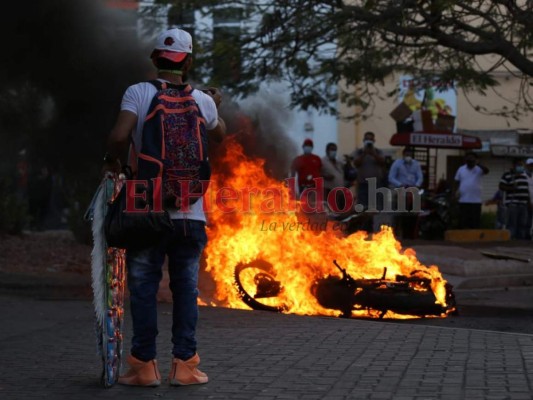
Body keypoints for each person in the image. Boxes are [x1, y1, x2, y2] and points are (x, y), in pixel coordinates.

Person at [102, 28, 226, 387]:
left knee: (143, 286)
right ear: (188, 61)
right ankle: (185, 365)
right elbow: (219, 135)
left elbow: (119, 136)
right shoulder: (203, 100)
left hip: (148, 209)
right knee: (186, 287)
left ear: (155, 59)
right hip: (192, 213)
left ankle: (144, 367)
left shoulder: (138, 93)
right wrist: (215, 102)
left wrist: (111, 160)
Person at [351, 131, 387, 232]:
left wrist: (373, 154)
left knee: (374, 207)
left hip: (375, 184)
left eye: (371, 139)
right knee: (363, 207)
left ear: (374, 140)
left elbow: (382, 162)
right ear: (363, 140)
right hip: (363, 184)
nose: (369, 141)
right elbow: (355, 163)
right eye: (367, 139)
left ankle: (372, 228)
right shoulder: (358, 152)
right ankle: (363, 229)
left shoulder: (378, 152)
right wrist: (364, 154)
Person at [388, 147, 423, 239]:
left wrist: (416, 185)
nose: (408, 156)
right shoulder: (397, 163)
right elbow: (391, 177)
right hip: (400, 191)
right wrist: (400, 184)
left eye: (410, 155)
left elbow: (420, 177)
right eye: (407, 155)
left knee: (412, 215)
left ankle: (410, 235)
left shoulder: (416, 164)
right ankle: (397, 234)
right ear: (403, 155)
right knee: (399, 215)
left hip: (412, 192)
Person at [453, 151, 489, 229]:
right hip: (463, 200)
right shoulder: (461, 169)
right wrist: (455, 192)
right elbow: (456, 181)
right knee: (463, 222)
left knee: (475, 223)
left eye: (472, 159)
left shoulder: (479, 169)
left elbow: (486, 171)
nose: (470, 161)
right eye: (468, 159)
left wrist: (478, 163)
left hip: (475, 201)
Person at [499, 158, 530, 239]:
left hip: (523, 204)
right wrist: (511, 188)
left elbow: (527, 190)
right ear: (514, 165)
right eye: (518, 165)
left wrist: (528, 202)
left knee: (523, 224)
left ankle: (521, 241)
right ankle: (511, 240)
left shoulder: (525, 175)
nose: (520, 167)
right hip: (513, 203)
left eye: (521, 165)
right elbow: (501, 186)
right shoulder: (508, 175)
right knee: (512, 224)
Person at [525, 158, 533, 239]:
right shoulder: (523, 175)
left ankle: (529, 236)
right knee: (525, 220)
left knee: (530, 221)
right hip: (526, 202)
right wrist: (528, 202)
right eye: (530, 165)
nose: (531, 167)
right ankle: (524, 236)